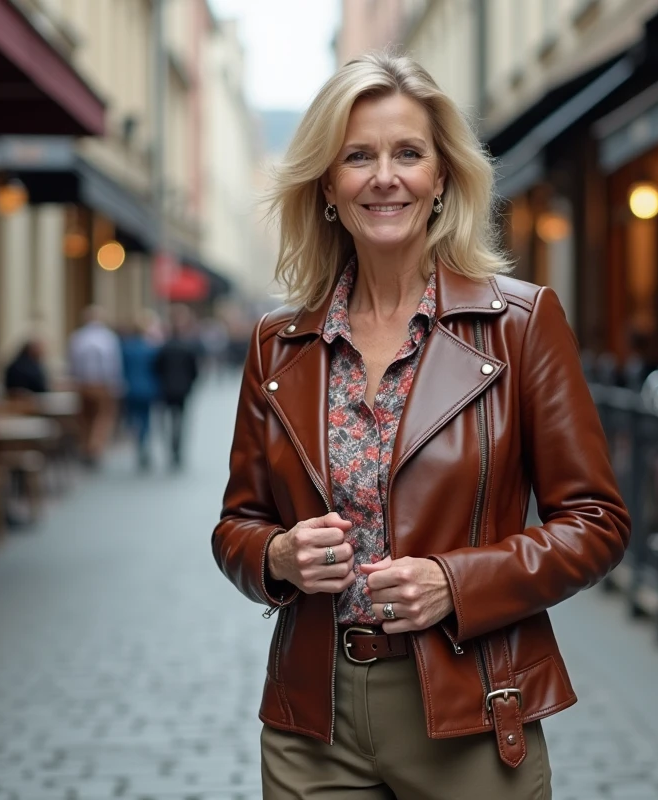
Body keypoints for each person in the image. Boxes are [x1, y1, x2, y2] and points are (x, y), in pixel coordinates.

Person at [212, 52, 630, 799]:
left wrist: (455, 581)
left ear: (442, 178)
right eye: (359, 156)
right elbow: (236, 525)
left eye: (408, 153)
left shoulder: (522, 325)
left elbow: (596, 522)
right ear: (328, 187)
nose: (385, 176)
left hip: (473, 709)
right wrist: (278, 555)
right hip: (315, 719)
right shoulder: (278, 344)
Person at [68, 305, 123, 466]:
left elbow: (73, 363)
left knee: (85, 418)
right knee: (102, 418)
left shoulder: (77, 337)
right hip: (102, 384)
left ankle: (86, 446)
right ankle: (95, 447)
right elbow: (113, 363)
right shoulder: (108, 338)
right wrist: (115, 383)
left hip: (83, 383)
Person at [152, 305, 202, 469]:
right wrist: (191, 383)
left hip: (166, 388)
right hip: (183, 389)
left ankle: (171, 447)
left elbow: (156, 368)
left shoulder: (164, 348)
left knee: (166, 419)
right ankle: (177, 449)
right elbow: (194, 370)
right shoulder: (187, 348)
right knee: (180, 420)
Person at [121, 311, 162, 470]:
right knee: (146, 419)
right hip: (148, 388)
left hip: (130, 388)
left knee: (133, 417)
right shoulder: (150, 348)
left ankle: (138, 441)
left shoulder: (127, 348)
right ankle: (143, 443)